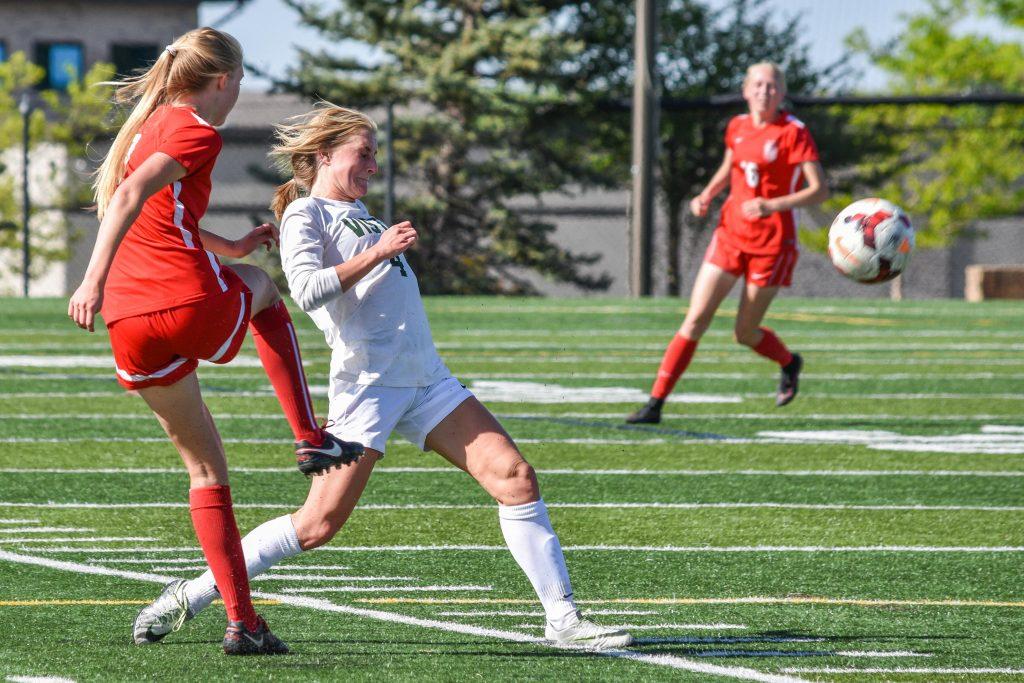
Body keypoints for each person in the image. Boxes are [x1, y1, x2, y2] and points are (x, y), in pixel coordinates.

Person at [132, 104, 634, 651]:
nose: (373, 165)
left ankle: (563, 619)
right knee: (316, 526)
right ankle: (193, 595)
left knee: (516, 478)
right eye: (362, 154)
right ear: (323, 155)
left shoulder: (359, 209)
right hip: (368, 384)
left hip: (426, 378)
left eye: (375, 154)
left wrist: (377, 245)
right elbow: (305, 290)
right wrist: (379, 250)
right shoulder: (306, 214)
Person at [67, 28, 363, 655]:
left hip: (129, 323)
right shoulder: (196, 129)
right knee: (264, 289)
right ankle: (310, 437)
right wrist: (87, 279)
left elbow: (157, 211)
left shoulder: (146, 128)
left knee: (205, 470)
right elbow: (126, 198)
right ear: (223, 80)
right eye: (242, 81)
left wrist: (226, 247)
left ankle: (243, 622)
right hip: (177, 302)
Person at [627, 62, 828, 425]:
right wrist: (706, 194)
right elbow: (730, 165)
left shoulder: (793, 132)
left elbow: (819, 190)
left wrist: (773, 204)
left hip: (773, 244)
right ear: (746, 90)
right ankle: (655, 403)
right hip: (731, 234)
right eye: (758, 85)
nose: (764, 91)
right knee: (694, 320)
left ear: (782, 93)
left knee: (744, 333)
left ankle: (788, 362)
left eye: (772, 86)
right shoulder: (737, 126)